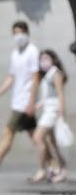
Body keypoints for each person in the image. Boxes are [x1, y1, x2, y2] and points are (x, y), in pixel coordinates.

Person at [0, 20, 40, 180]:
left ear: (26, 33)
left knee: (8, 133)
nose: (18, 36)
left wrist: (31, 102)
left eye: (20, 32)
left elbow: (36, 78)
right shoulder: (15, 53)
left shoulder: (32, 51)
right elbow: (11, 78)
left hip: (24, 104)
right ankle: (54, 167)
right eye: (15, 33)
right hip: (18, 101)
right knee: (36, 137)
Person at [30, 49, 68, 184]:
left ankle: (42, 170)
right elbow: (49, 96)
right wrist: (39, 104)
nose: (43, 62)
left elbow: (60, 94)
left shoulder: (56, 73)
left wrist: (61, 113)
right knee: (53, 142)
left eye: (46, 59)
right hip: (48, 109)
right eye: (41, 59)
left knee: (37, 137)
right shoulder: (47, 75)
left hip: (53, 111)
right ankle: (61, 169)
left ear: (53, 59)